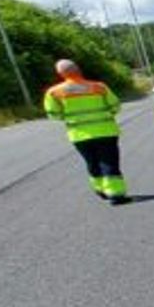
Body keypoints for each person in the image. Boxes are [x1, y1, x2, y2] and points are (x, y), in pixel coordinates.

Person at [43, 59, 130, 205]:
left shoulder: (54, 92)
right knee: (109, 162)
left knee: (92, 162)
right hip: (105, 132)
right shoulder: (99, 87)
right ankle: (116, 195)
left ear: (60, 74)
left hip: (79, 135)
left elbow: (54, 114)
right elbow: (115, 106)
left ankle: (100, 189)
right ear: (78, 69)